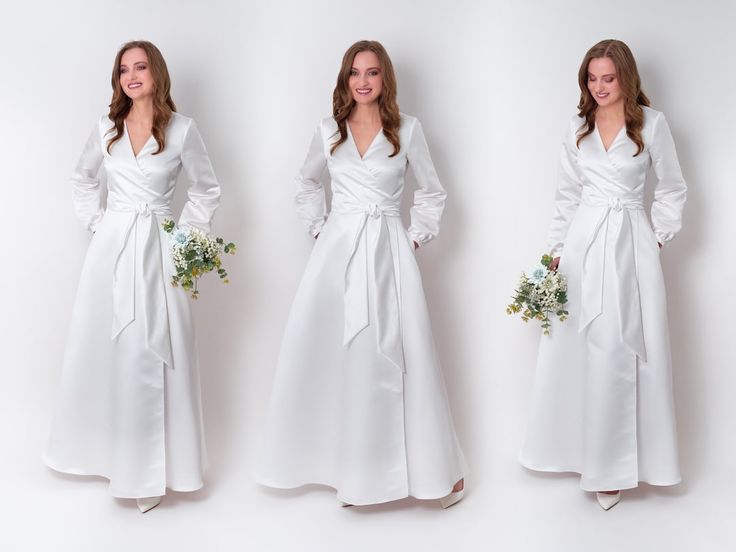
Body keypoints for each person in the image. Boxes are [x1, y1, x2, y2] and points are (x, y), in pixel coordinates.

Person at [256, 40, 467, 507]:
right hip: (337, 253)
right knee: (340, 354)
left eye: (372, 73)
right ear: (345, 79)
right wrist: (318, 227)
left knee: (407, 352)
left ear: (384, 79)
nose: (363, 81)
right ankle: (350, 472)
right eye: (355, 73)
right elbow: (306, 182)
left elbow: (433, 192)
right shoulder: (329, 130)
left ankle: (436, 471)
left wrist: (413, 236)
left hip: (390, 250)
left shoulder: (407, 131)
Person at [45, 40, 221, 513]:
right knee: (112, 345)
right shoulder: (106, 128)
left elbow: (207, 189)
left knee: (161, 347)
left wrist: (186, 241)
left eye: (140, 67)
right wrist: (100, 224)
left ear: (156, 73)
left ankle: (157, 469)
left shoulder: (183, 130)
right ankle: (112, 457)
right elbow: (82, 179)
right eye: (124, 69)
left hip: (163, 247)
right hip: (113, 251)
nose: (131, 76)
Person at [519, 39, 687, 510]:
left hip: (632, 245)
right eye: (591, 79)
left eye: (608, 79)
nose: (599, 88)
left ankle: (621, 465)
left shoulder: (653, 125)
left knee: (626, 345)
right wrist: (553, 256)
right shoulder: (578, 126)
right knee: (580, 345)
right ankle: (583, 454)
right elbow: (566, 197)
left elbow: (672, 188)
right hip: (583, 245)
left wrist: (657, 237)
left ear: (626, 78)